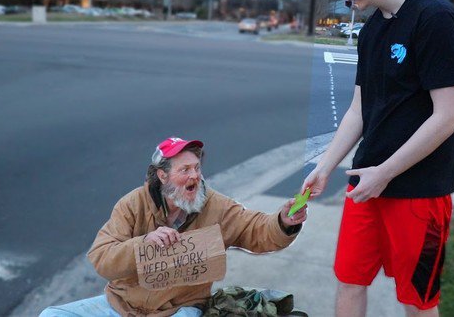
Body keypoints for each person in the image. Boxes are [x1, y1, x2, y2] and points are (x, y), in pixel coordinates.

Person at [302, 0, 454, 317]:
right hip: (365, 184)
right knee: (349, 280)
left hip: (419, 191)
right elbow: (359, 110)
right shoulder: (373, 29)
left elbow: (450, 114)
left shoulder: (435, 19)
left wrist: (387, 172)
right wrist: (325, 166)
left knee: (417, 299)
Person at [41, 136, 307, 317]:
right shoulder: (133, 204)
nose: (194, 176)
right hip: (123, 306)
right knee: (50, 314)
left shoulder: (218, 207)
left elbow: (258, 231)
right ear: (162, 175)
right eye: (185, 170)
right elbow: (101, 258)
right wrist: (142, 245)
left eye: (197, 168)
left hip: (179, 309)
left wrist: (283, 222)